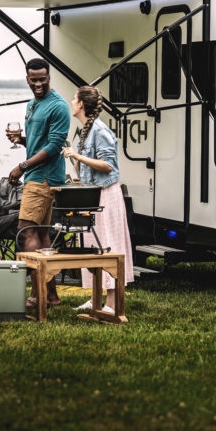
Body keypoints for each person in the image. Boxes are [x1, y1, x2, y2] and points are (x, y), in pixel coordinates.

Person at [61, 86, 134, 313]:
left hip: (107, 195)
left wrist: (78, 155)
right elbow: (89, 167)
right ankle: (95, 299)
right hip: (94, 194)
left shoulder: (100, 130)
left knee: (108, 247)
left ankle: (111, 304)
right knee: (93, 247)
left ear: (82, 104)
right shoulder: (87, 129)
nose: (72, 102)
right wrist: (75, 162)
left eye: (74, 99)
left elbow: (108, 164)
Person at [6, 58, 71, 308]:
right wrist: (22, 140)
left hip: (44, 178)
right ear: (27, 79)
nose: (38, 84)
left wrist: (22, 166)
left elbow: (55, 146)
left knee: (26, 231)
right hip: (37, 175)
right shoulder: (34, 103)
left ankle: (36, 294)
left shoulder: (58, 106)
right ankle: (51, 295)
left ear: (49, 77)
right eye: (33, 80)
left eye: (42, 79)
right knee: (42, 235)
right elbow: (39, 141)